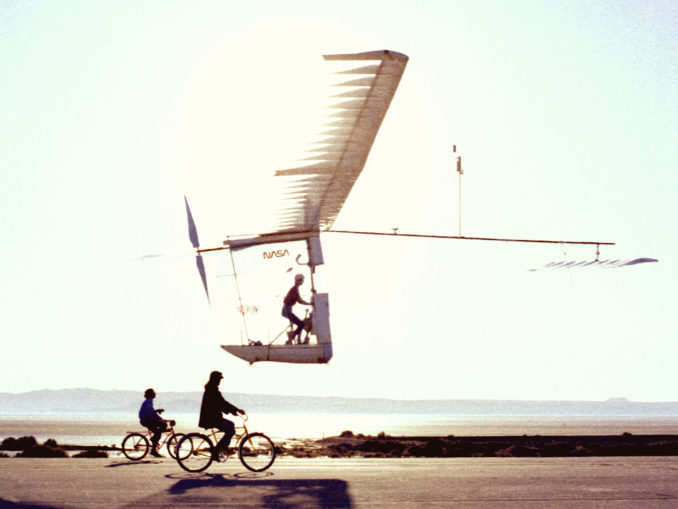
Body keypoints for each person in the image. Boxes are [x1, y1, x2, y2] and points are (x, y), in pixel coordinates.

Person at [198, 371, 245, 462]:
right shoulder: (213, 390)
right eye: (219, 379)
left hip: (211, 417)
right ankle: (217, 450)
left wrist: (232, 411)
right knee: (231, 430)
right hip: (212, 418)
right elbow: (222, 403)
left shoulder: (211, 389)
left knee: (230, 425)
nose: (220, 381)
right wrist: (237, 410)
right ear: (215, 379)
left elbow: (219, 404)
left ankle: (221, 448)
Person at [282, 273, 312, 344]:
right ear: (299, 281)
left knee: (300, 324)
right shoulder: (294, 290)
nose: (302, 282)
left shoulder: (295, 289)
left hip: (287, 310)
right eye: (302, 281)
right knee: (301, 324)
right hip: (287, 310)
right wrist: (310, 303)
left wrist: (308, 303)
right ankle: (291, 339)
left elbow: (299, 300)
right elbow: (300, 301)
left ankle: (293, 339)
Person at [138, 388, 167, 457]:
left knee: (158, 432)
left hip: (147, 420)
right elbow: (150, 413)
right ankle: (153, 444)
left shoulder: (148, 401)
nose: (155, 394)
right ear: (150, 394)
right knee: (163, 425)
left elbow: (152, 413)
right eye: (154, 392)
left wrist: (159, 417)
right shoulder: (148, 401)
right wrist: (160, 418)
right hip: (146, 420)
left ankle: (154, 445)